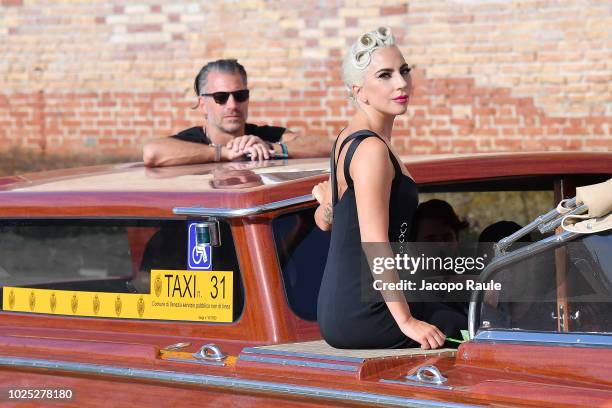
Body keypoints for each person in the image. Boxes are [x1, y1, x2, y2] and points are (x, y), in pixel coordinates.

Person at [312, 27, 466, 350]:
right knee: (471, 326)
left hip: (345, 308)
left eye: (404, 70)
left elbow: (327, 220)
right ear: (360, 91)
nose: (401, 83)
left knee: (455, 311)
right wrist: (407, 321)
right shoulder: (371, 150)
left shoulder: (347, 139)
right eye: (385, 75)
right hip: (367, 311)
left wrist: (327, 205)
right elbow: (374, 243)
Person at [143, 59, 330, 167]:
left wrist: (271, 148)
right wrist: (223, 153)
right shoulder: (191, 142)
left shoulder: (262, 138)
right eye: (221, 97)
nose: (232, 105)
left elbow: (331, 147)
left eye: (240, 95)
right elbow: (152, 152)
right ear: (202, 104)